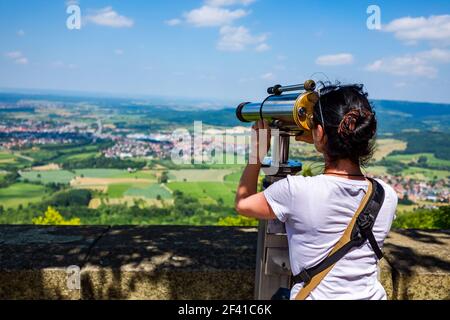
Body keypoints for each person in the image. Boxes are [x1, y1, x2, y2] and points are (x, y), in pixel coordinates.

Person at [235, 83, 397, 300]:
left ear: (319, 132)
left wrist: (256, 154)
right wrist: (323, 139)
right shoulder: (386, 195)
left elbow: (243, 203)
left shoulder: (296, 191)